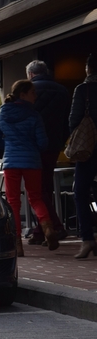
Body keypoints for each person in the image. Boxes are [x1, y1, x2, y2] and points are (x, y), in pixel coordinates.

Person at [0, 79, 59, 256]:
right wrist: (30, 146)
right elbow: (43, 143)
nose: (35, 96)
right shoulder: (34, 115)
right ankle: (48, 228)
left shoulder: (4, 113)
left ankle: (17, 244)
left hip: (11, 162)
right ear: (23, 94)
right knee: (36, 198)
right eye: (32, 92)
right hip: (32, 162)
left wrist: (10, 144)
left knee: (13, 202)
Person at [26, 60, 71, 246]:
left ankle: (55, 227)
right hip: (53, 146)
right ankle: (41, 230)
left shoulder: (27, 91)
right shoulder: (62, 90)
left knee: (36, 190)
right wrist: (61, 140)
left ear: (30, 74)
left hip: (32, 147)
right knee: (45, 188)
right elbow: (69, 120)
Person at [69, 53, 97, 259]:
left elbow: (74, 120)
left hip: (88, 149)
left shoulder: (83, 89)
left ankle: (87, 240)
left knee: (80, 192)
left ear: (88, 68)